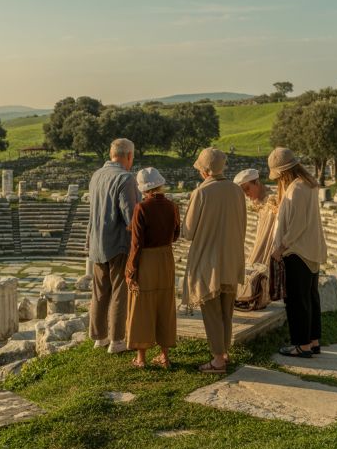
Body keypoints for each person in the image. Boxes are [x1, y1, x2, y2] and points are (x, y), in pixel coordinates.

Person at [182, 148, 246, 373]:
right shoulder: (237, 191)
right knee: (226, 309)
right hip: (232, 256)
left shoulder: (201, 192)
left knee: (211, 310)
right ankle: (224, 351)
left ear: (205, 170)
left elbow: (188, 232)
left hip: (208, 259)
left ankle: (218, 359)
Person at [268, 147, 328, 358]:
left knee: (296, 300)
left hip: (298, 251)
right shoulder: (308, 185)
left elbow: (297, 225)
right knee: (310, 297)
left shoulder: (297, 189)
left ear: (283, 172)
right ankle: (313, 340)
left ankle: (301, 345)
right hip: (311, 248)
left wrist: (280, 248)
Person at [87, 138, 141, 354]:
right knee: (120, 290)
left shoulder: (96, 175)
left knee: (100, 291)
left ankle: (99, 337)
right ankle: (117, 340)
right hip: (118, 242)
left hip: (97, 242)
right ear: (129, 156)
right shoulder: (126, 178)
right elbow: (130, 216)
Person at [125, 167, 180, 369]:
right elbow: (175, 234)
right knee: (165, 304)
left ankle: (141, 358)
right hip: (166, 258)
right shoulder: (172, 206)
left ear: (143, 188)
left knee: (142, 306)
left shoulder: (142, 208)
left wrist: (130, 269)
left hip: (146, 259)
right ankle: (164, 355)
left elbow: (136, 244)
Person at [233, 168, 277, 312]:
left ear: (257, 182)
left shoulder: (273, 200)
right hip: (261, 240)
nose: (246, 194)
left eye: (247, 189)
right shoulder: (261, 201)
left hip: (272, 242)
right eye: (243, 191)